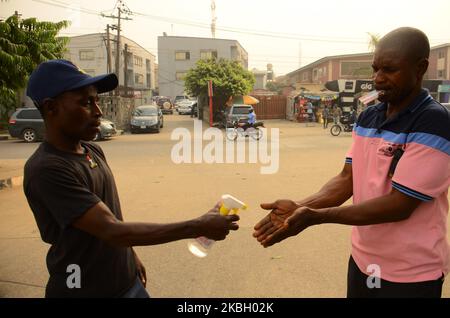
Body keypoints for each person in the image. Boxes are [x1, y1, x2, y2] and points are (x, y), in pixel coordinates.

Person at [253, 27, 450, 298]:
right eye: (376, 69)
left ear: (421, 68)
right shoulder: (369, 116)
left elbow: (400, 205)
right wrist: (301, 206)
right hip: (363, 261)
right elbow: (348, 178)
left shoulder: (434, 122)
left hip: (410, 274)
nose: (378, 79)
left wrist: (317, 217)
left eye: (389, 70)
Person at [23, 59, 240, 298]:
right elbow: (111, 230)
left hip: (126, 281)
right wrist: (198, 227)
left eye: (96, 100)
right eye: (86, 102)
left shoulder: (90, 150)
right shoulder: (48, 169)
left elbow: (112, 216)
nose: (98, 111)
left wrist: (130, 255)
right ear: (51, 107)